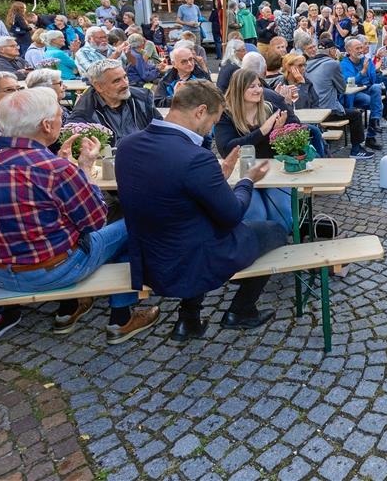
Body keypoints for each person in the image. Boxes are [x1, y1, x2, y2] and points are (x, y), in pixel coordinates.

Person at [0, 87, 160, 343]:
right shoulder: (55, 168)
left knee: (104, 233)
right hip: (54, 271)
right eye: (59, 114)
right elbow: (94, 222)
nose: (62, 119)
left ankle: (76, 307)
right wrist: (84, 169)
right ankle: (121, 316)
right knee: (135, 223)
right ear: (46, 125)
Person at [116, 80, 287, 341]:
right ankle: (241, 309)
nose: (211, 128)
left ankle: (189, 320)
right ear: (200, 111)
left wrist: (217, 179)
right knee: (275, 230)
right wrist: (247, 180)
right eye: (213, 120)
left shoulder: (128, 146)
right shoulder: (195, 157)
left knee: (197, 232)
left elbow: (170, 192)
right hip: (190, 259)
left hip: (149, 256)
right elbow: (231, 215)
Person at [214, 69, 296, 230]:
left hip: (272, 170)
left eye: (259, 85)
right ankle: (257, 248)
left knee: (281, 214)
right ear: (239, 89)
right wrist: (262, 131)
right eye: (252, 86)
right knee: (256, 215)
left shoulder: (269, 109)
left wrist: (277, 133)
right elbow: (227, 150)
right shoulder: (226, 115)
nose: (258, 90)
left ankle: (280, 245)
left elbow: (282, 150)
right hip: (242, 173)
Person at [304, 36, 374, 159]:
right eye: (335, 49)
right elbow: (343, 89)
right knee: (356, 114)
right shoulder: (332, 64)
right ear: (331, 51)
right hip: (327, 110)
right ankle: (356, 150)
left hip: (310, 110)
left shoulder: (307, 63)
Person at [69, 59, 161, 145]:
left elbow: (160, 129)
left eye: (125, 77)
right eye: (117, 81)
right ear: (99, 86)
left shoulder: (142, 97)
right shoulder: (85, 112)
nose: (125, 84)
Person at [341, 38, 386, 137]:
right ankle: (371, 136)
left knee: (377, 87)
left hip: (369, 89)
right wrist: (362, 72)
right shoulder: (345, 64)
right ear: (349, 51)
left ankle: (374, 123)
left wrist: (377, 71)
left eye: (361, 47)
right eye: (357, 48)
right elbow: (349, 83)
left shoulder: (367, 61)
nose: (361, 50)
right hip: (355, 93)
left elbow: (374, 81)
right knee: (377, 105)